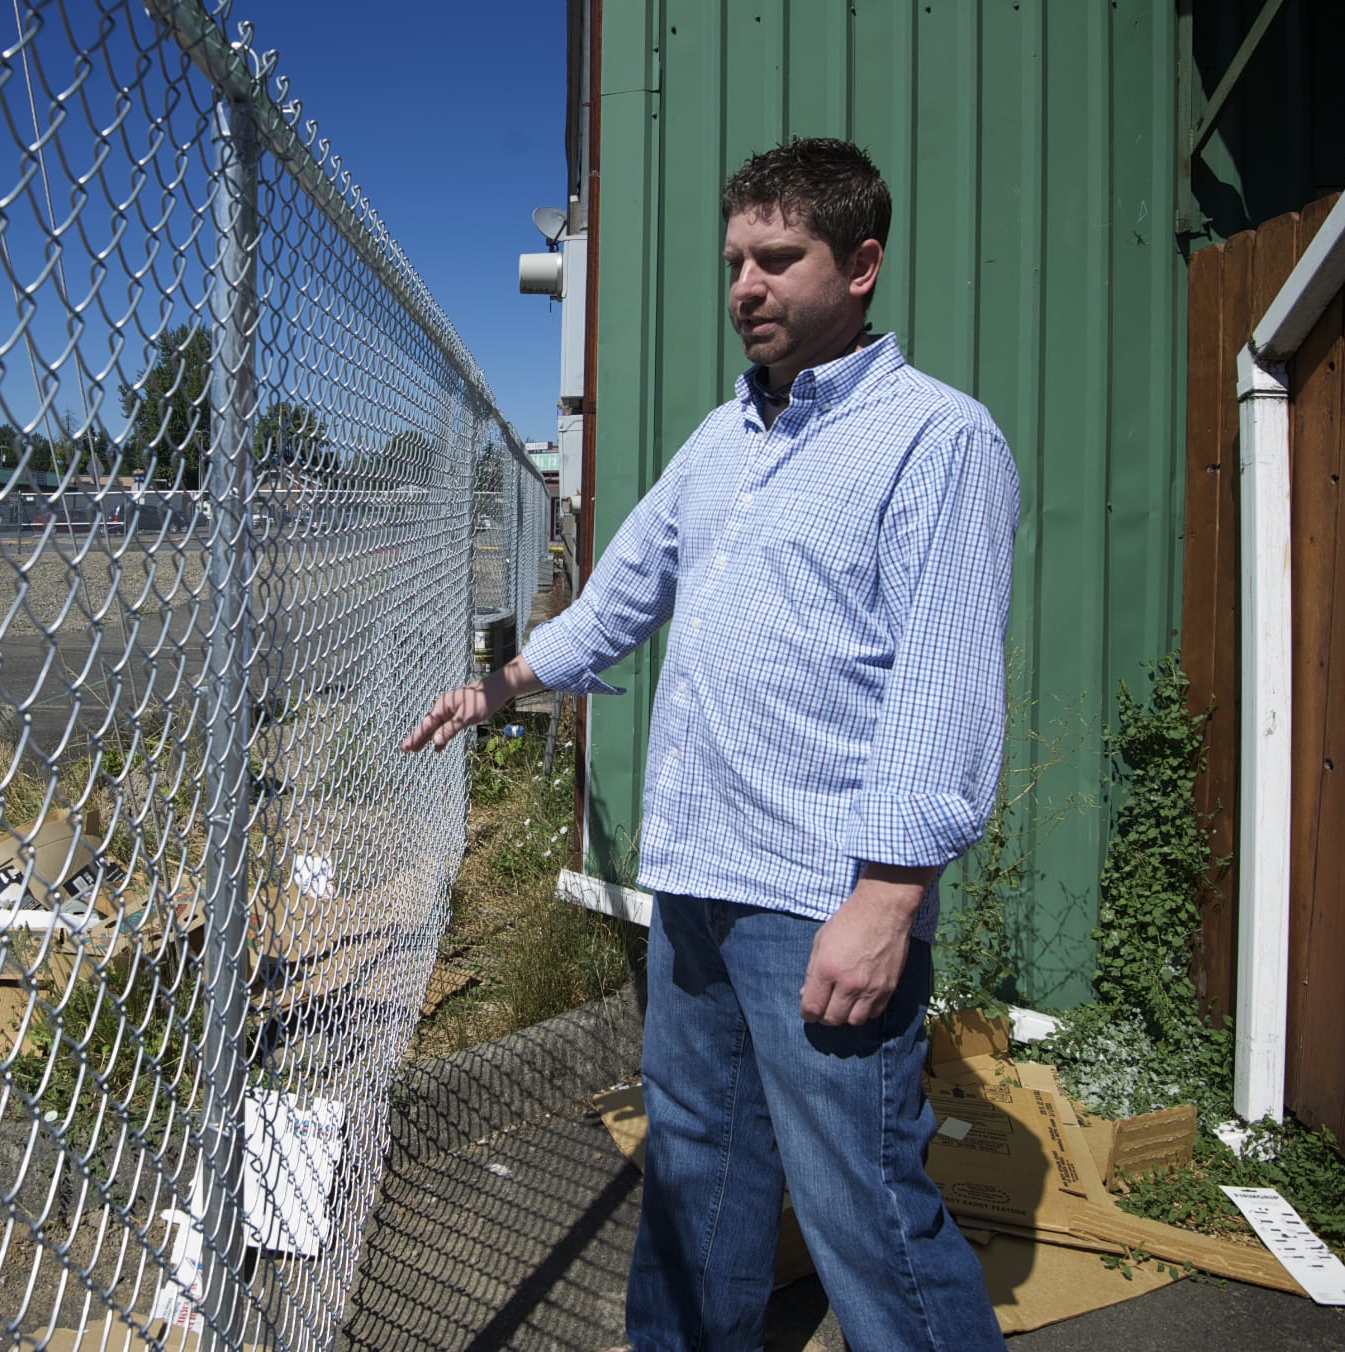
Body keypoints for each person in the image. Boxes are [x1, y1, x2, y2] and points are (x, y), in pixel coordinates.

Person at [402, 137, 1015, 1352]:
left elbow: (943, 694)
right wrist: (504, 684)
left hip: (820, 898)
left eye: (777, 257)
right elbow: (622, 596)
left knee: (864, 1210)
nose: (745, 284)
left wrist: (887, 898)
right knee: (696, 1170)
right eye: (735, 258)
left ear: (861, 266)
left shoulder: (935, 442)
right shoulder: (720, 441)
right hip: (694, 879)